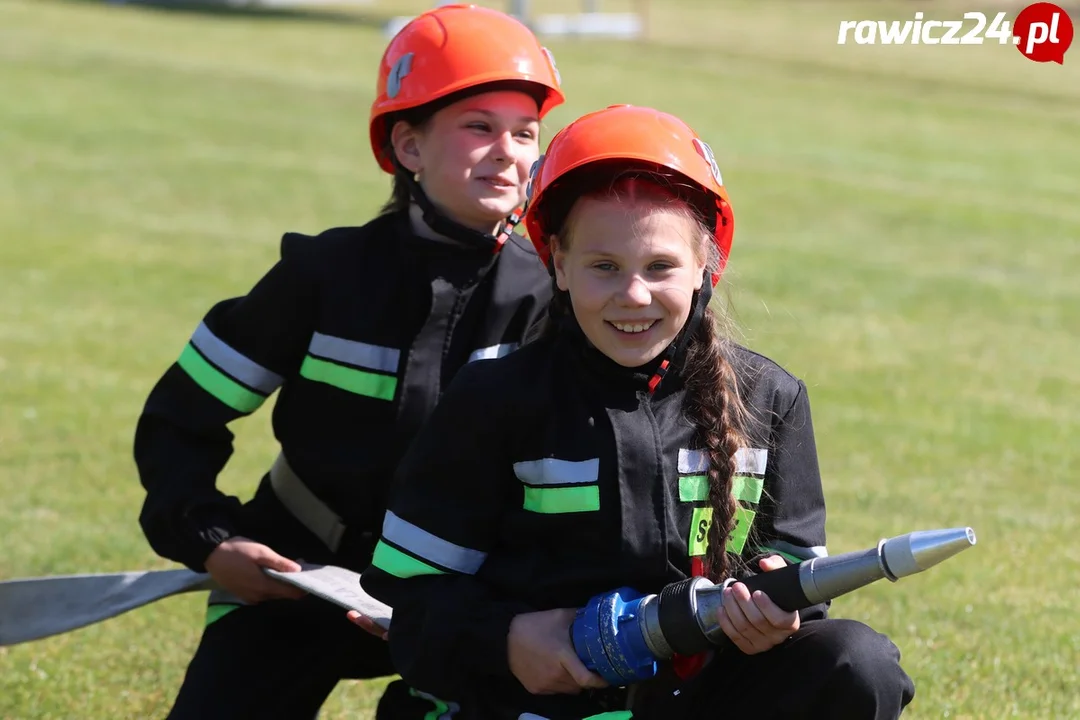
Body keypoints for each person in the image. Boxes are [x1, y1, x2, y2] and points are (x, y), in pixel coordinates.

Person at [359, 104, 918, 719]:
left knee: (855, 662)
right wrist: (507, 640)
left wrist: (781, 600)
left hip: (701, 696)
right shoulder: (493, 401)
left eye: (660, 267)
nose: (632, 295)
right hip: (533, 702)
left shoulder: (771, 398)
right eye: (604, 267)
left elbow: (802, 569)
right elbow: (411, 601)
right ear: (560, 266)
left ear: (707, 265)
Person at [131, 5, 564, 718]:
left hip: (459, 597)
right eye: (478, 127)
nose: (507, 152)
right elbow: (182, 416)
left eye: (524, 133)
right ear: (409, 146)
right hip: (294, 572)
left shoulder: (551, 298)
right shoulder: (323, 274)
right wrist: (214, 538)